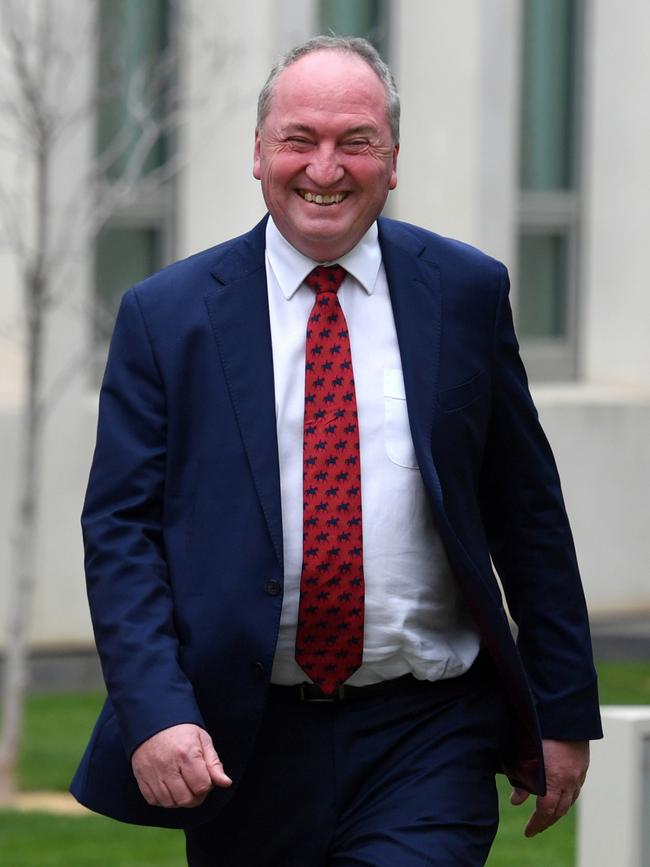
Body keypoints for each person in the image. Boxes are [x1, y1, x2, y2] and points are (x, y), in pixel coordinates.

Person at [71, 36, 602, 867]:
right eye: (299, 139)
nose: (326, 166)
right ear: (258, 154)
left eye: (356, 141)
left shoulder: (465, 294)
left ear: (393, 159)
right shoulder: (166, 317)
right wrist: (157, 709)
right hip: (241, 740)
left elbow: (527, 512)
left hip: (427, 728)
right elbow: (122, 535)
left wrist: (564, 710)